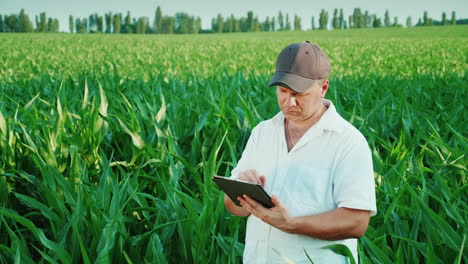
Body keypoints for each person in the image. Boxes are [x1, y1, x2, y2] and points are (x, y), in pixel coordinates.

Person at [224, 41, 377, 263]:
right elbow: (234, 208)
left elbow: (357, 222)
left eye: (299, 93)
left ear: (323, 87)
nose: (289, 102)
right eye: (282, 91)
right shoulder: (263, 133)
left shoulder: (348, 142)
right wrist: (240, 192)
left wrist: (291, 224)